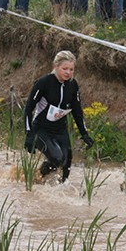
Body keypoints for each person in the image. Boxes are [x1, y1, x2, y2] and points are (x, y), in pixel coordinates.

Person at [24, 50, 94, 183]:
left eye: (71, 69)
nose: (68, 72)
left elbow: (77, 111)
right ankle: (36, 178)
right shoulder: (43, 83)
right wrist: (29, 134)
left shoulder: (72, 85)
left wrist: (84, 134)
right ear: (55, 66)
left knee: (66, 162)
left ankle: (60, 189)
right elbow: (28, 108)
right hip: (41, 129)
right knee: (57, 158)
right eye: (65, 69)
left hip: (60, 129)